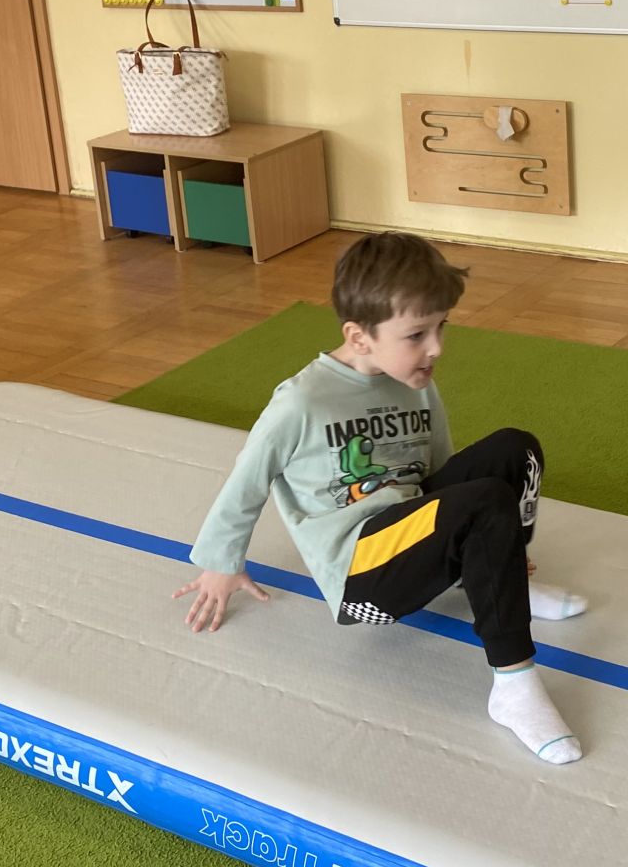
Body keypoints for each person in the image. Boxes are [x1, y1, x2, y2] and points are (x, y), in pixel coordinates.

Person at [174, 233, 588, 764]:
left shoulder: (416, 381)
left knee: (515, 449)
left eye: (441, 327)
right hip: (362, 574)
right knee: (484, 499)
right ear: (359, 336)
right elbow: (247, 481)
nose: (436, 347)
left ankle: (500, 581)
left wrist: (497, 547)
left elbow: (442, 473)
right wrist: (221, 564)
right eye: (416, 334)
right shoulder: (301, 401)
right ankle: (513, 684)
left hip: (409, 533)